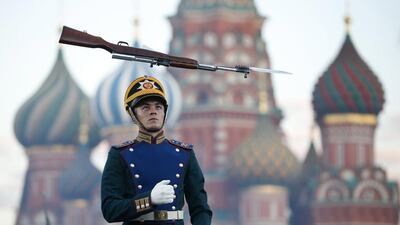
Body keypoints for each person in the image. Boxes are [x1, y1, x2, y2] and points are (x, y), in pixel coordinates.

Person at [101, 75, 212, 225]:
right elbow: (110, 209)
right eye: (145, 107)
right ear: (133, 114)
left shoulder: (185, 154)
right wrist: (149, 200)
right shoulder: (120, 154)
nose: (153, 111)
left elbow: (200, 207)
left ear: (165, 113)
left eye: (158, 107)